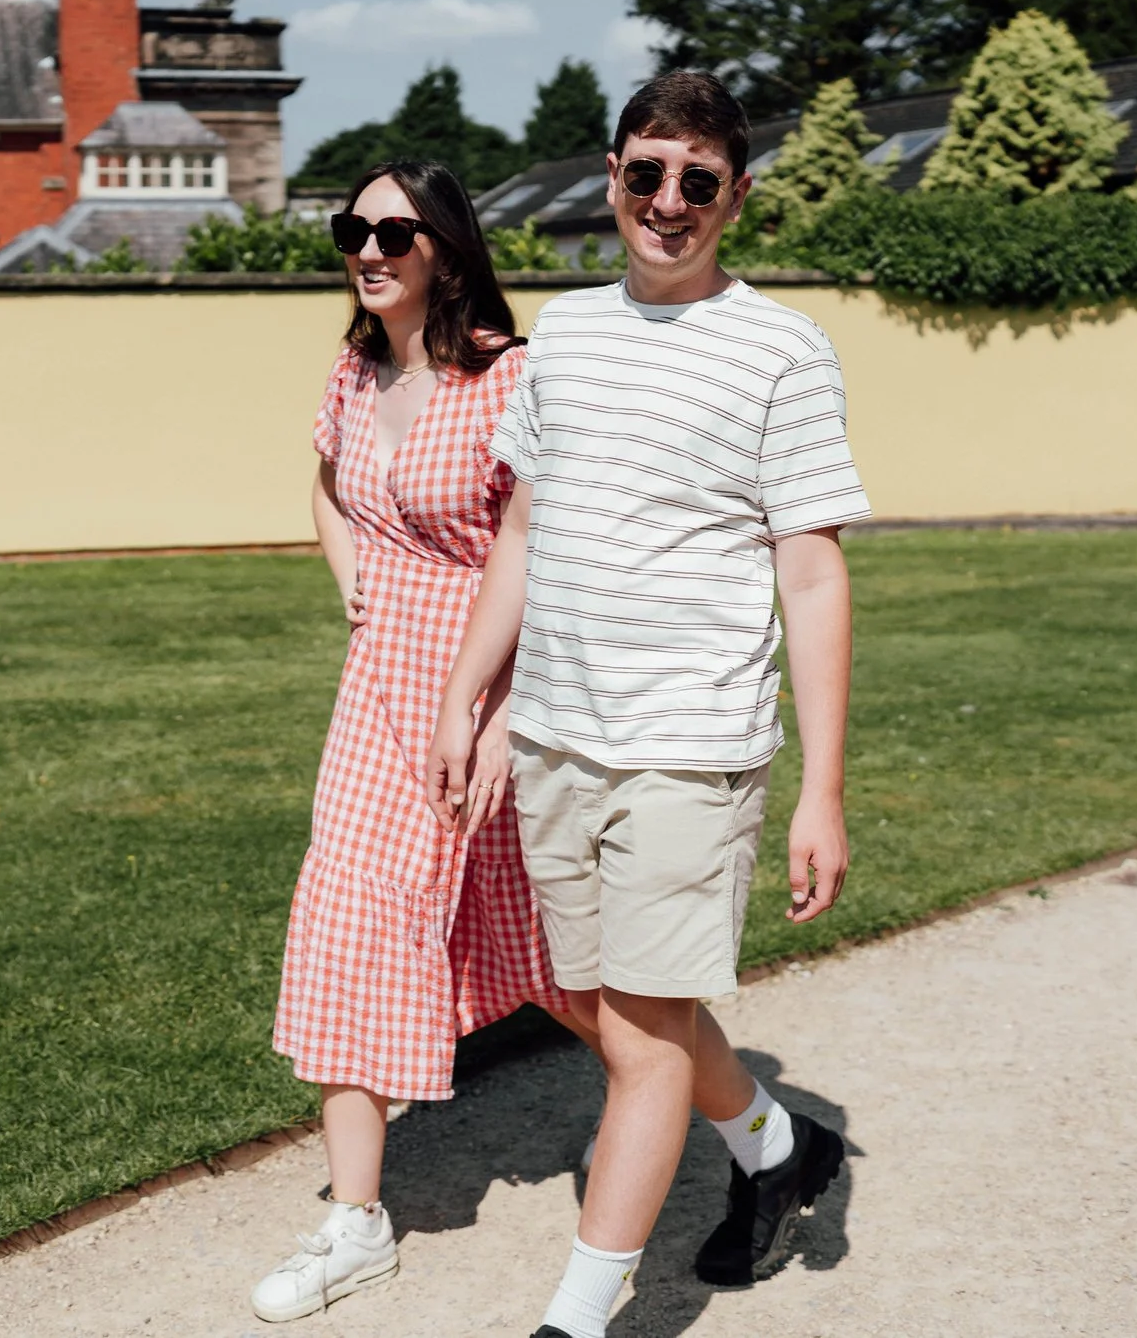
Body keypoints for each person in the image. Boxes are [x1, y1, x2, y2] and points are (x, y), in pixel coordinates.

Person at [427, 71, 869, 1337]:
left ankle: (578, 1317)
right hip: (560, 731)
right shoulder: (561, 333)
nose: (666, 203)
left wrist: (821, 790)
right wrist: (473, 693)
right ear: (611, 171)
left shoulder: (782, 347)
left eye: (697, 180)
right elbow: (521, 525)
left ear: (736, 194)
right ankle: (781, 1145)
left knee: (640, 1026)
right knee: (598, 1004)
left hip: (691, 742)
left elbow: (812, 567)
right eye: (644, 173)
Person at [255, 158, 571, 1323]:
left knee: (560, 965)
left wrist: (492, 712)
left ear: (446, 243)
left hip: (489, 696)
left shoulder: (508, 376)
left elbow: (533, 551)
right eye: (354, 228)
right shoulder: (352, 368)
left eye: (396, 230)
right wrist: (356, 593)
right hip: (376, 693)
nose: (370, 248)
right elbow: (331, 488)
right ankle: (357, 1219)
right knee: (349, 919)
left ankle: (752, 1128)